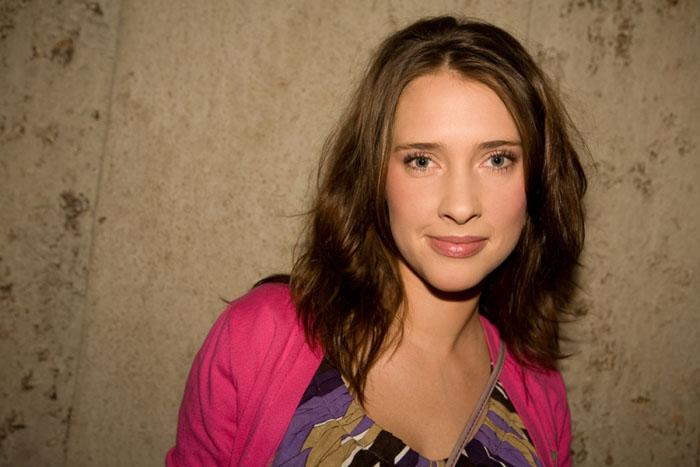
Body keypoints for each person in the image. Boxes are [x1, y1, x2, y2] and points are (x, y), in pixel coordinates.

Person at [166, 15, 586, 467]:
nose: (461, 206)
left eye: (497, 159)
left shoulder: (541, 393)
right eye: (422, 160)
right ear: (375, 174)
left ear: (538, 177)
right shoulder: (258, 338)